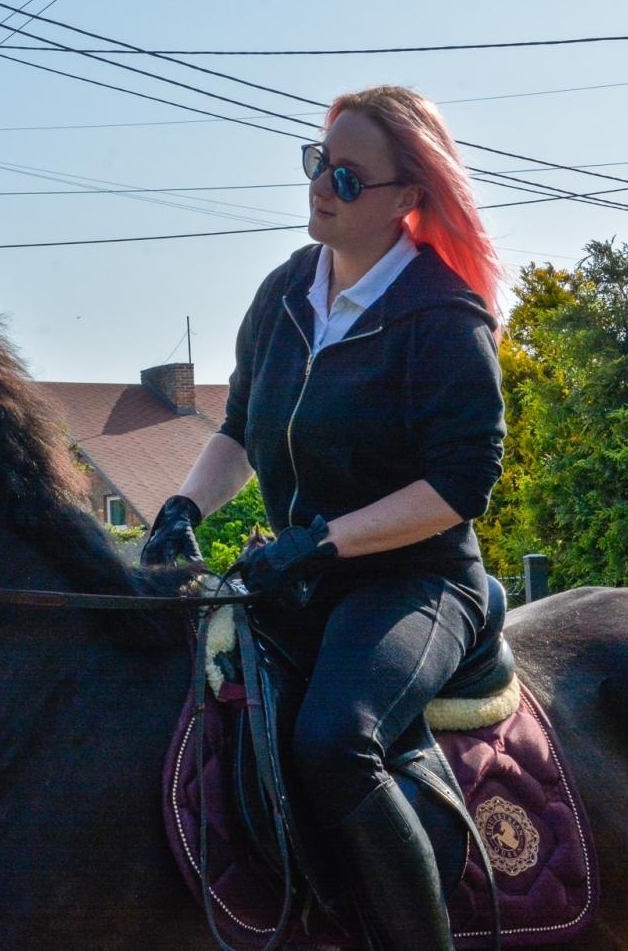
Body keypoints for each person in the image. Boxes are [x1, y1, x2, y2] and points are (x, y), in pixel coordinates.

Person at [142, 86, 506, 951]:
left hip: (414, 583)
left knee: (333, 743)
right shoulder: (281, 297)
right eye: (317, 164)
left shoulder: (443, 315)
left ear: (408, 198)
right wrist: (183, 504)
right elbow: (238, 431)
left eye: (346, 175)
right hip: (301, 572)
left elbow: (460, 485)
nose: (320, 188)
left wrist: (324, 541)